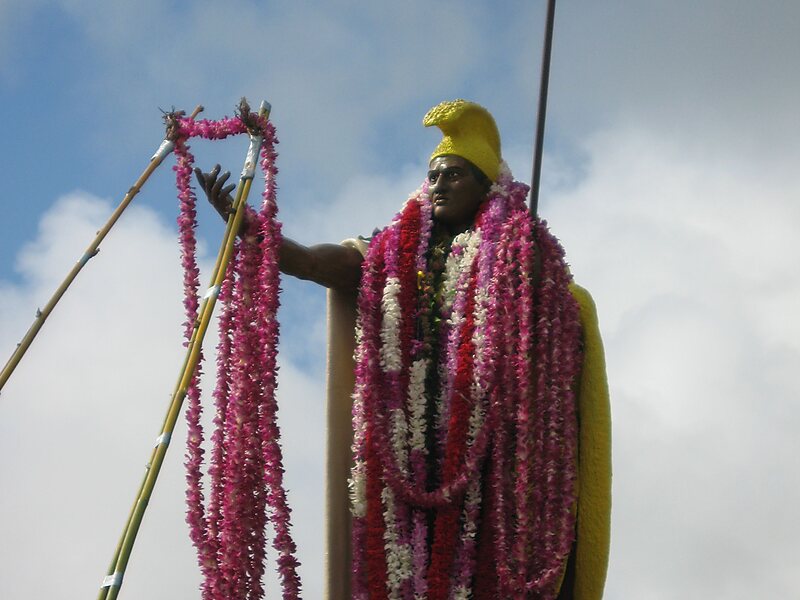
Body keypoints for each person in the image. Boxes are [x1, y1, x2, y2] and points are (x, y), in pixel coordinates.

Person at [196, 99, 611, 600]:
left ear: (486, 186)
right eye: (433, 176)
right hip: (407, 464)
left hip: (495, 467)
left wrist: (524, 271)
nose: (439, 185)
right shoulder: (390, 257)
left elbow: (557, 334)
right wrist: (247, 225)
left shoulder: (521, 261)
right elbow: (311, 263)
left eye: (454, 175)